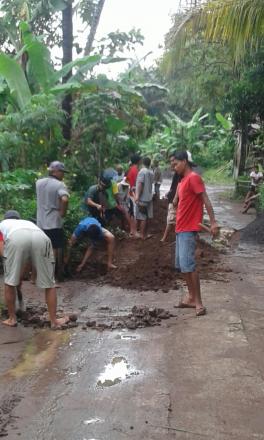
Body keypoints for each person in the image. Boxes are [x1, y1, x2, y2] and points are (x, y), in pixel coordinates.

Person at [0, 210, 68, 329]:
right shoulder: (27, 223)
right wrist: (20, 274)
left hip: (16, 237)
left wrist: (12, 274)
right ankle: (54, 321)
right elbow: (28, 256)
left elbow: (2, 250)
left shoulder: (2, 225)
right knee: (49, 283)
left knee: (9, 282)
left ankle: (12, 319)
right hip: (41, 237)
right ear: (18, 218)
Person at [173, 151, 219, 317]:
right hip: (180, 228)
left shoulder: (193, 178)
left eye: (175, 163)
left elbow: (205, 199)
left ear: (184, 161)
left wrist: (213, 222)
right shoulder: (183, 181)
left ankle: (199, 302)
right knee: (183, 267)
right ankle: (191, 297)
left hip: (188, 229)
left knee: (190, 266)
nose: (174, 167)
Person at [36, 161, 69, 280]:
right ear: (56, 171)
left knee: (40, 248)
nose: (63, 175)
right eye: (62, 172)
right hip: (54, 222)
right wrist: (62, 212)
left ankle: (35, 277)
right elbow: (64, 199)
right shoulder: (60, 185)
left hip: (40, 222)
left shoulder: (38, 183)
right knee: (54, 249)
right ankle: (52, 276)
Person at [161, 152, 181, 242]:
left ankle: (165, 238)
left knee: (171, 220)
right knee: (172, 220)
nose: (172, 163)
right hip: (173, 198)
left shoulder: (180, 172)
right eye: (171, 161)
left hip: (175, 200)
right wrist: (169, 193)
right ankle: (172, 238)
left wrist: (175, 197)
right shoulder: (177, 172)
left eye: (173, 161)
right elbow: (174, 186)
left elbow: (179, 185)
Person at [135, 157, 154, 240]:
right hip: (149, 197)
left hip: (142, 198)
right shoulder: (151, 172)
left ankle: (142, 235)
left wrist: (137, 196)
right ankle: (145, 234)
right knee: (147, 216)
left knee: (142, 217)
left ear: (143, 162)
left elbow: (140, 184)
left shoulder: (142, 171)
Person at [126, 154, 141, 237]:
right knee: (134, 213)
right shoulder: (135, 170)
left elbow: (127, 181)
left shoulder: (131, 169)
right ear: (138, 161)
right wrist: (136, 196)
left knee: (132, 213)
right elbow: (135, 184)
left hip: (130, 193)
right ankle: (134, 232)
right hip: (133, 194)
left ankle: (132, 231)